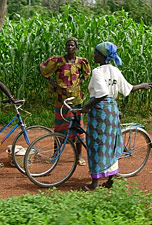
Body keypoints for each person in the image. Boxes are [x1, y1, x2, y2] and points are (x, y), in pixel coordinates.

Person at [81, 42, 152, 191]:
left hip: (100, 111)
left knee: (96, 145)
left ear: (102, 56)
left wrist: (86, 107)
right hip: (112, 110)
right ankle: (110, 181)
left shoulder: (97, 72)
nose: (94, 55)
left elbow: (101, 94)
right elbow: (128, 88)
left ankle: (94, 183)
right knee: (111, 143)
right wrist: (141, 85)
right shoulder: (115, 70)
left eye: (96, 53)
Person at [37, 37, 91, 166]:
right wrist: (52, 82)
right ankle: (56, 154)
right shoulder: (58, 61)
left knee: (78, 128)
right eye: (68, 45)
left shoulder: (81, 62)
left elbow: (87, 73)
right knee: (59, 128)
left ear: (76, 48)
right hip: (61, 100)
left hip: (76, 100)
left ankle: (79, 156)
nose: (70, 47)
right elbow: (41, 68)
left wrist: (79, 83)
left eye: (72, 45)